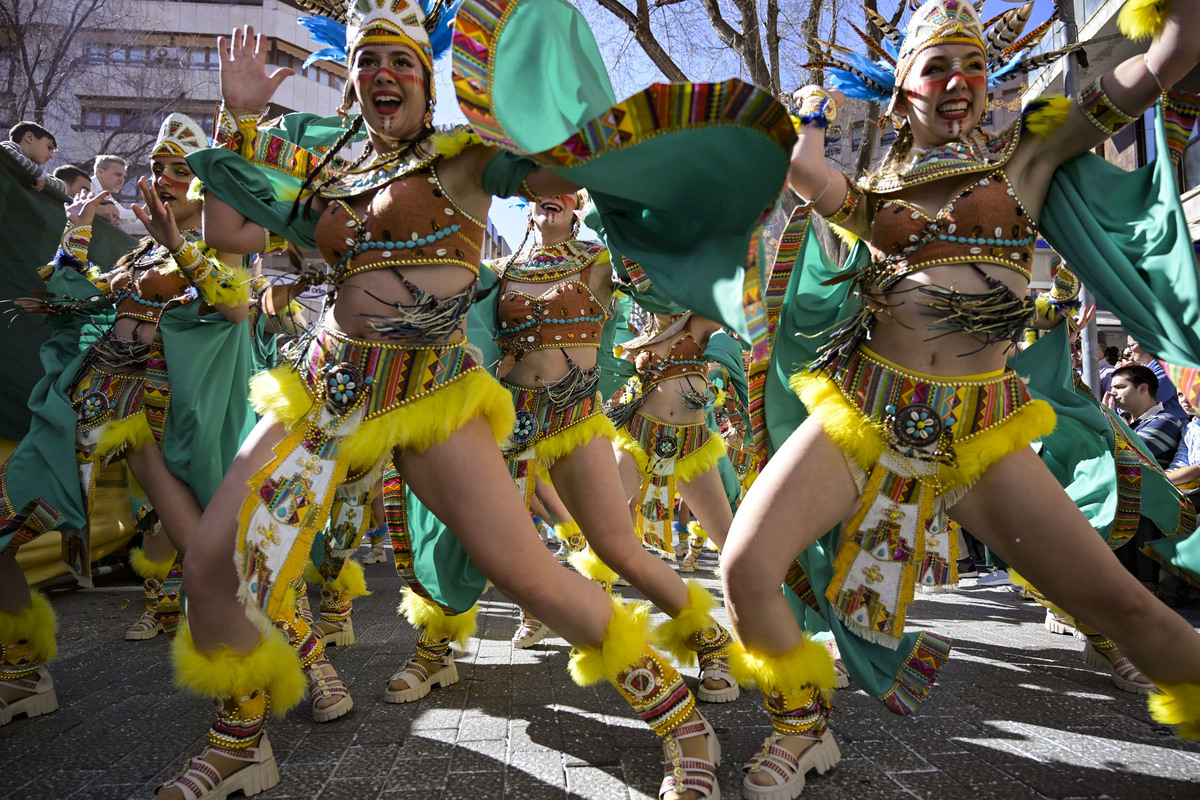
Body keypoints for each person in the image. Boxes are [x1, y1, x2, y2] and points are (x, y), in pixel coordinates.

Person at [160, 0, 793, 793]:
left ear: (428, 80)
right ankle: (241, 743)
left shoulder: (465, 159)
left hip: (435, 391)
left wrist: (642, 144)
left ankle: (680, 719)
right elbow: (229, 233)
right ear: (349, 78)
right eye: (366, 62)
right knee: (216, 558)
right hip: (326, 386)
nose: (381, 75)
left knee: (528, 573)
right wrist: (240, 115)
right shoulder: (327, 172)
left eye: (400, 62)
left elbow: (563, 170)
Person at [718, 2, 1200, 798]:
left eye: (973, 65)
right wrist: (802, 115)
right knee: (744, 569)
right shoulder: (874, 193)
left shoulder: (1032, 153)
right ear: (902, 90)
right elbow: (805, 176)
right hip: (864, 412)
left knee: (1128, 610)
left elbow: (1160, 63)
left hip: (982, 429)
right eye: (936, 66)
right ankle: (801, 728)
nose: (959, 82)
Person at [0, 114, 258, 726]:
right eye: (159, 167)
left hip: (153, 425)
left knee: (206, 560)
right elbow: (83, 289)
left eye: (182, 171)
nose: (165, 179)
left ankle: (251, 711)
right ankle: (19, 672)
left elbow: (234, 307)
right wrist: (79, 225)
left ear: (206, 187)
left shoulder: (221, 246)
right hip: (82, 406)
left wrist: (177, 248)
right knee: (5, 527)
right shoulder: (144, 245)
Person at [1111, 364, 1185, 470]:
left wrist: (1110, 420)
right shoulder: (1121, 419)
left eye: (1119, 387)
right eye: (1112, 387)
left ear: (1142, 389)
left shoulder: (1166, 422)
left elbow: (1125, 456)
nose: (1112, 393)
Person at [2, 122, 67, 194]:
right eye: (49, 147)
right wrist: (38, 173)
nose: (51, 156)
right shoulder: (10, 146)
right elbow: (5, 153)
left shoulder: (32, 171)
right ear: (29, 137)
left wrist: (41, 176)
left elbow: (61, 187)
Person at [91, 154, 145, 236]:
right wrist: (143, 212)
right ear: (100, 172)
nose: (122, 180)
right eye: (118, 175)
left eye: (124, 177)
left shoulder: (106, 194)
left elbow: (124, 220)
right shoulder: (87, 186)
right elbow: (118, 215)